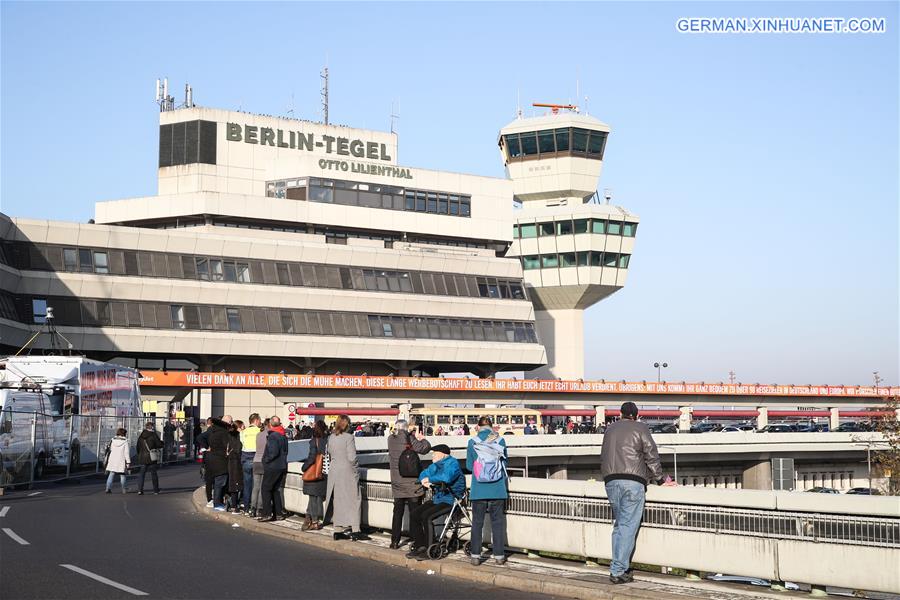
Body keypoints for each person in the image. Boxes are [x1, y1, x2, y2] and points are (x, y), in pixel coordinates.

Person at [600, 402, 666, 584]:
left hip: (611, 481)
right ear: (636, 415)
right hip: (633, 481)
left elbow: (604, 456)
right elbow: (651, 455)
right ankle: (618, 570)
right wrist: (660, 479)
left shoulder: (609, 429)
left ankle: (618, 566)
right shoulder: (641, 428)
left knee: (619, 525)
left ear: (620, 414)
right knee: (628, 526)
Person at [405, 444, 465, 560]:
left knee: (427, 516)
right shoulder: (436, 465)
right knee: (414, 514)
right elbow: (424, 473)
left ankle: (429, 547)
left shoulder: (453, 464)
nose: (433, 456)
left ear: (444, 454)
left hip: (451, 500)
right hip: (438, 499)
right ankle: (420, 545)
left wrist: (430, 479)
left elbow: (446, 477)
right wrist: (424, 480)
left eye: (435, 453)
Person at [467, 416, 509, 566]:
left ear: (478, 427)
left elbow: (469, 466)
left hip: (479, 489)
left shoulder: (473, 442)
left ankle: (475, 556)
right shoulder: (500, 441)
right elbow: (504, 464)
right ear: (492, 427)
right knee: (497, 523)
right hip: (497, 489)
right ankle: (499, 556)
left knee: (477, 523)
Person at [387, 420, 432, 549]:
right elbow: (425, 449)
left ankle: (394, 541)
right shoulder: (409, 438)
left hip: (397, 482)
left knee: (397, 512)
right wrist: (421, 439)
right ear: (406, 428)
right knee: (415, 512)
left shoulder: (390, 439)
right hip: (411, 483)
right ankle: (416, 540)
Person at [325, 415, 367, 541]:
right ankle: (355, 530)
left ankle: (337, 530)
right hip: (348, 472)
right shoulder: (349, 437)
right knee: (355, 499)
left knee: (338, 501)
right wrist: (356, 470)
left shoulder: (331, 437)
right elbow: (352, 458)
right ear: (347, 425)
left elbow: (330, 454)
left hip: (334, 472)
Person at [258, 416, 288, 522]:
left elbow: (273, 452)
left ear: (270, 424)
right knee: (275, 490)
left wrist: (265, 460)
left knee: (265, 489)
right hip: (281, 466)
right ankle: (278, 513)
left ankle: (267, 513)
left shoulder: (273, 436)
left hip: (272, 466)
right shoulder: (283, 435)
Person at [301, 420, 329, 530]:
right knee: (318, 497)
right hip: (324, 472)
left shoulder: (314, 441)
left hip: (315, 472)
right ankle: (309, 518)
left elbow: (312, 457)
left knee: (312, 497)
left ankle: (314, 521)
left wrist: (304, 467)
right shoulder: (328, 440)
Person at [205, 415, 232, 511]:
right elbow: (227, 446)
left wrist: (206, 447)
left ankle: (216, 502)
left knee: (216, 482)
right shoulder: (224, 433)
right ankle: (217, 503)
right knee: (220, 483)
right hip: (221, 461)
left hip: (211, 459)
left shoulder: (212, 431)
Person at [248, 418, 269, 518]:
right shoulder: (269, 435)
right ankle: (260, 508)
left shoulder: (258, 435)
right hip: (264, 462)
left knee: (255, 487)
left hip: (256, 460)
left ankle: (252, 508)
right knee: (262, 487)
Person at [240, 413, 261, 514]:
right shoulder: (259, 431)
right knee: (255, 486)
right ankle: (254, 507)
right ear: (256, 421)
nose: (260, 422)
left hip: (245, 458)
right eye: (259, 420)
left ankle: (246, 508)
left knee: (247, 485)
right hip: (256, 458)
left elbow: (242, 443)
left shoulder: (243, 432)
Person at [135, 422, 163, 495]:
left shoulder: (141, 436)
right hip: (151, 457)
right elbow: (159, 444)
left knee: (142, 474)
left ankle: (140, 490)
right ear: (152, 427)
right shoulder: (153, 435)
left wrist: (140, 454)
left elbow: (138, 447)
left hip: (142, 457)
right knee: (153, 474)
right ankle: (155, 490)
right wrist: (162, 443)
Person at [105, 428, 130, 494]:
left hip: (112, 459)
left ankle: (108, 488)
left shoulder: (112, 440)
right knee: (122, 475)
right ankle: (124, 489)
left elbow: (110, 449)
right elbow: (126, 453)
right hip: (121, 460)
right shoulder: (125, 441)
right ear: (124, 434)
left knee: (111, 474)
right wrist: (128, 462)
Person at [226, 420, 244, 513]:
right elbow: (238, 448)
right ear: (239, 427)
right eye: (243, 426)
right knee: (236, 483)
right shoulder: (237, 436)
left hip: (230, 460)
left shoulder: (228, 435)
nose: (244, 428)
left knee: (233, 482)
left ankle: (232, 503)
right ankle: (234, 504)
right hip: (235, 461)